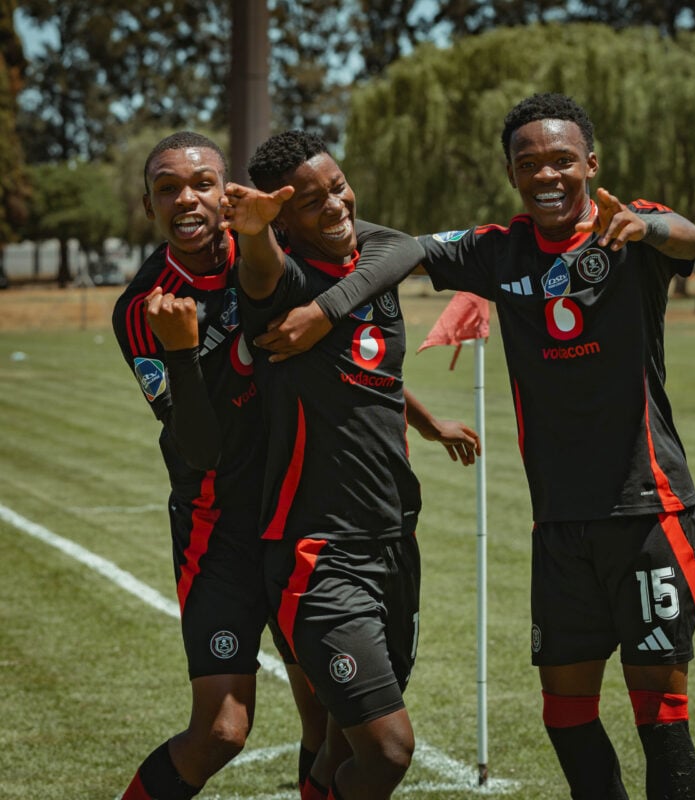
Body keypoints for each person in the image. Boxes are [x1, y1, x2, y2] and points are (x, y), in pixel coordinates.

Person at [111, 131, 453, 800]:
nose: (187, 199)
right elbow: (199, 448)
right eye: (167, 189)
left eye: (202, 183)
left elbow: (392, 251)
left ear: (228, 193)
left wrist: (414, 410)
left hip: (301, 516)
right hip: (220, 528)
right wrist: (180, 352)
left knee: (326, 720)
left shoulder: (271, 244)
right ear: (149, 206)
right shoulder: (144, 307)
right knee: (222, 731)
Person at [413, 93, 695, 799]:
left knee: (660, 718)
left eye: (562, 160)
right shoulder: (499, 249)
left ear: (591, 164)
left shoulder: (626, 229)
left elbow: (689, 238)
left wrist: (646, 225)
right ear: (512, 173)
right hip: (559, 522)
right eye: (529, 164)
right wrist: (313, 226)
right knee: (565, 715)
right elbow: (407, 249)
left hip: (648, 511)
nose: (547, 175)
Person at [218, 130, 480, 800]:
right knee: (388, 751)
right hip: (319, 554)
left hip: (394, 539)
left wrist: (428, 423)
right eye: (311, 202)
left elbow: (403, 262)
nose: (335, 205)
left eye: (337, 188)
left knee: (342, 743)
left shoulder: (370, 269)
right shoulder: (282, 281)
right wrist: (256, 232)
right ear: (284, 221)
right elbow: (259, 270)